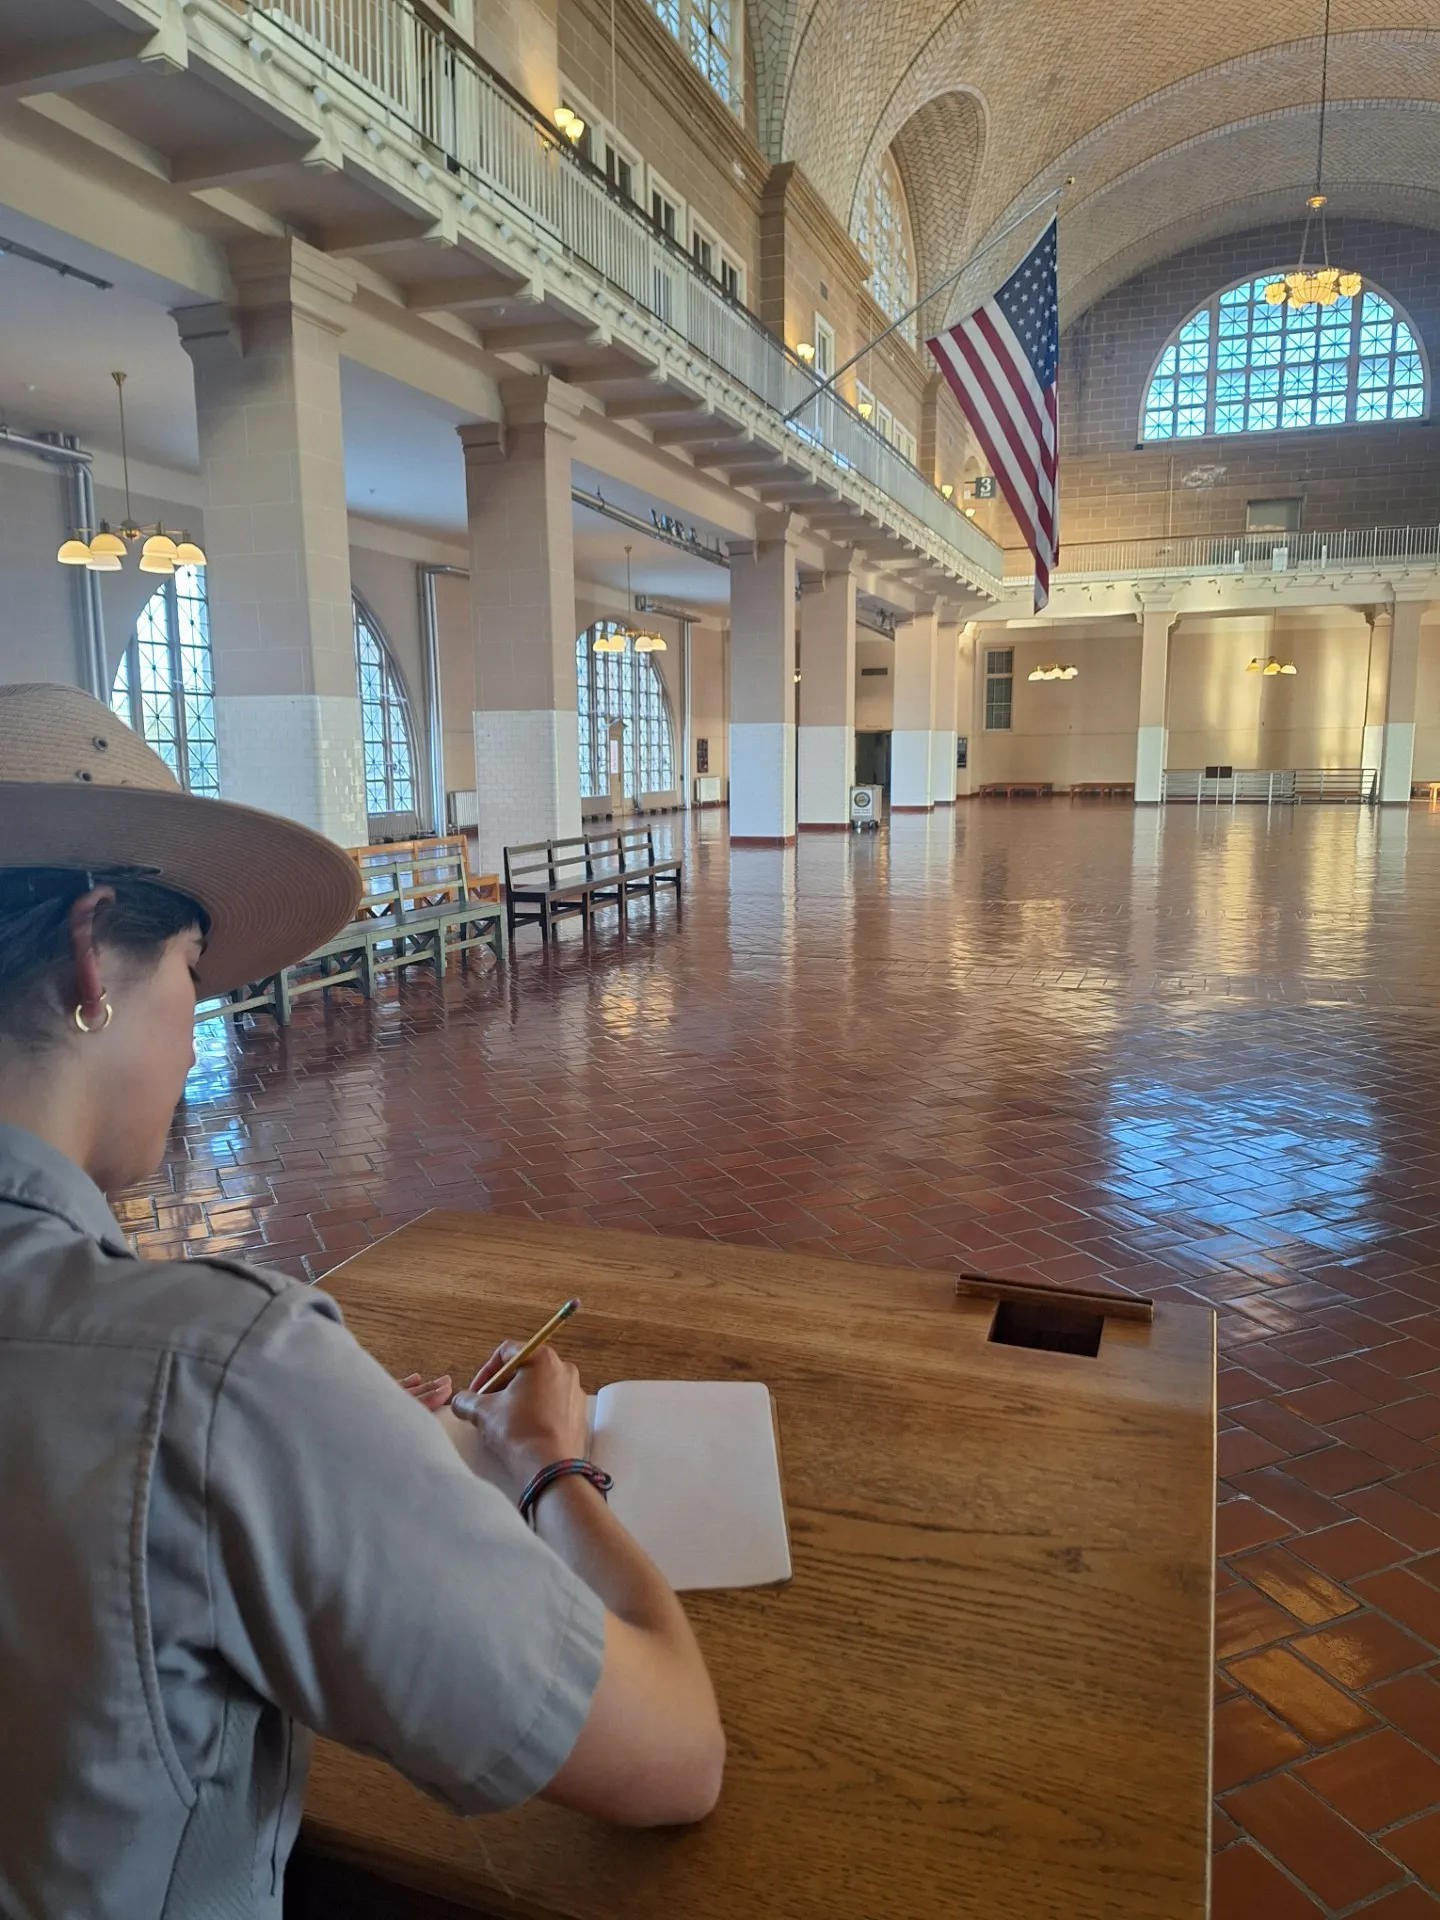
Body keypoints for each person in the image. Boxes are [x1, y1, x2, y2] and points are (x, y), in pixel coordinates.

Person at [0, 684, 724, 1920]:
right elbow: (675, 1756)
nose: (195, 1026)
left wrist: (324, 1441)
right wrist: (551, 1470)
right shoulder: (218, 1376)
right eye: (189, 967)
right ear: (90, 953)